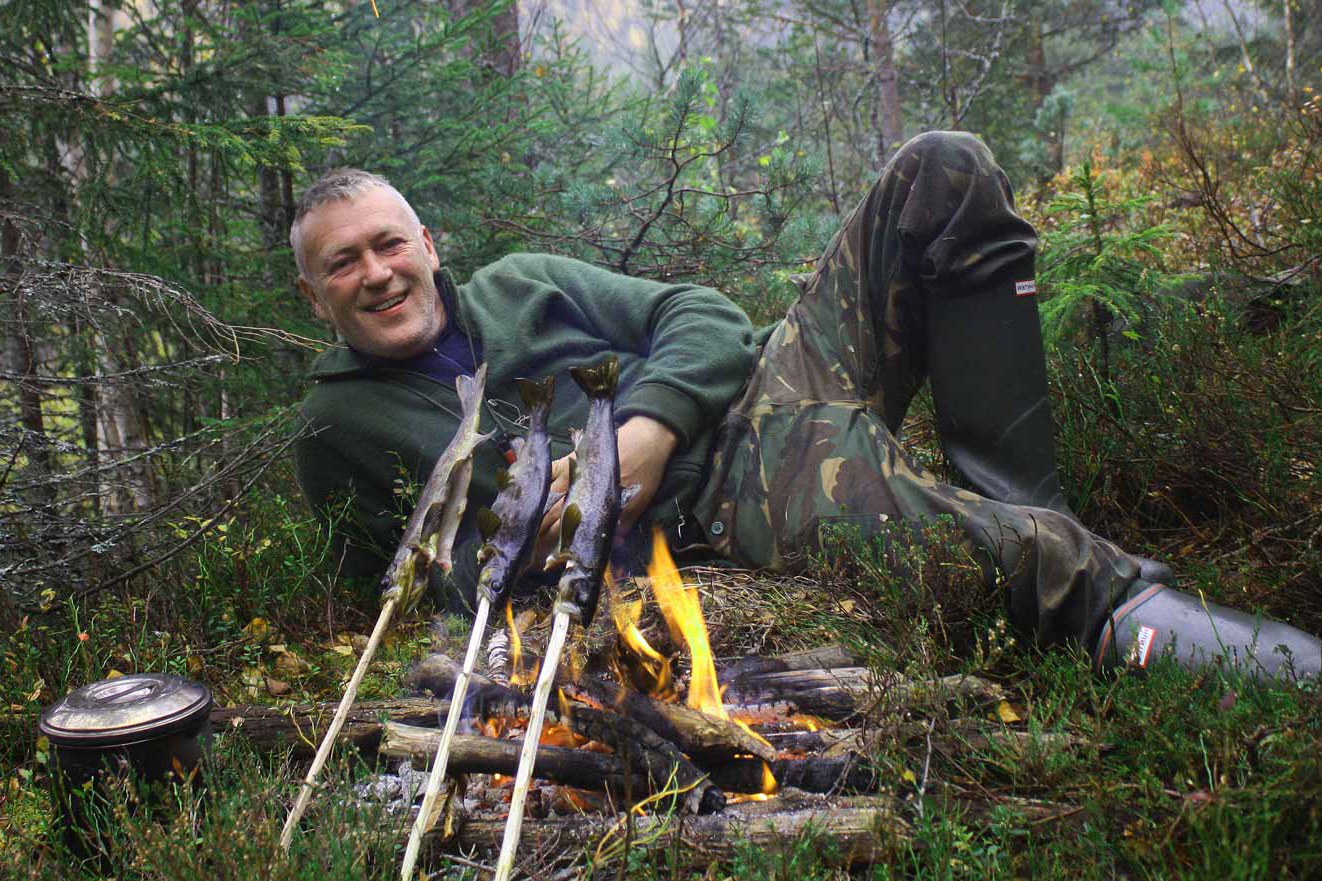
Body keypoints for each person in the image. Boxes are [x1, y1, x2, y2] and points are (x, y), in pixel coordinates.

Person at [292, 132, 1319, 682]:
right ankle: (1144, 615)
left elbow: (700, 314)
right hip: (714, 509)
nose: (377, 273)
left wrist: (646, 425)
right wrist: (548, 518)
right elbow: (410, 591)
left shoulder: (524, 284)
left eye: (390, 243)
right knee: (1025, 559)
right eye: (344, 265)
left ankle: (1009, 500)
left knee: (941, 172)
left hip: (739, 405)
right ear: (315, 294)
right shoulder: (340, 429)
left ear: (427, 243)